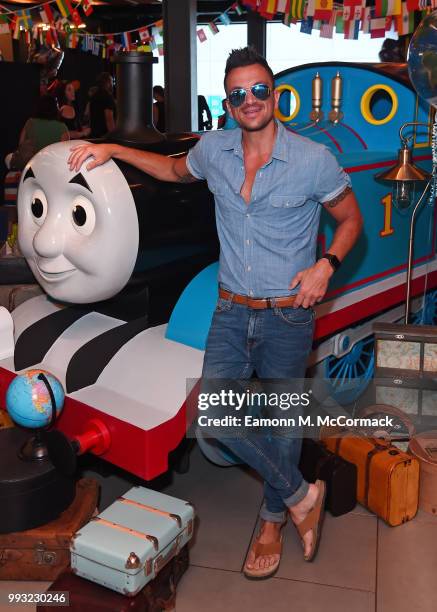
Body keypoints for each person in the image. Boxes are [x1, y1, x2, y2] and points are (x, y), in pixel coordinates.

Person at [67, 46, 362, 579]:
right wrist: (114, 148)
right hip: (231, 309)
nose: (250, 100)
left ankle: (274, 518)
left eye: (259, 90)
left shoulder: (312, 160)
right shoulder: (215, 150)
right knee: (213, 418)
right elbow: (174, 170)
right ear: (227, 103)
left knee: (282, 425)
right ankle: (301, 494)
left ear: (274, 95)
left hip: (288, 314)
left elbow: (350, 218)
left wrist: (326, 265)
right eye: (238, 94)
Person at [5, 95, 69, 170]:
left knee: (8, 158)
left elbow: (21, 144)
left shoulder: (30, 122)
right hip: (53, 168)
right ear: (55, 109)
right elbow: (65, 154)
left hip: (32, 167)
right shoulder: (62, 127)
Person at [88, 72, 116, 138]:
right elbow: (109, 120)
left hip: (94, 135)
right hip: (105, 137)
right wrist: (114, 137)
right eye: (112, 81)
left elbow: (90, 115)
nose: (112, 84)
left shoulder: (94, 96)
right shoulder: (107, 97)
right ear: (108, 82)